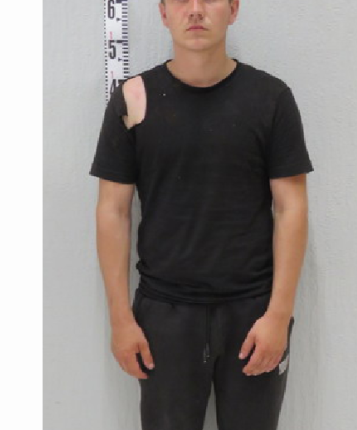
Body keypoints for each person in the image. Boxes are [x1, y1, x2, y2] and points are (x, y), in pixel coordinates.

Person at [89, 0, 313, 428]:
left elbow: (291, 208)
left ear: (233, 9)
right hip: (163, 317)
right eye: (180, 0)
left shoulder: (271, 99)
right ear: (163, 13)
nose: (194, 10)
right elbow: (112, 211)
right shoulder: (133, 99)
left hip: (254, 314)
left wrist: (278, 315)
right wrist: (120, 319)